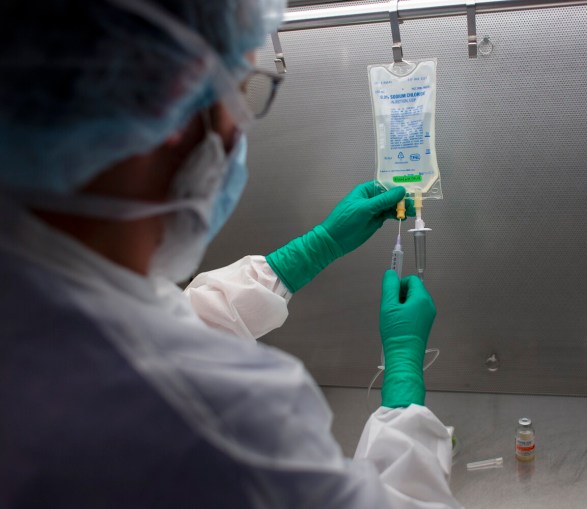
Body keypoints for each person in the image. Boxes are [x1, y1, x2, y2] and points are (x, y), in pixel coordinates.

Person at [0, 1, 461, 508]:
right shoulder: (221, 418)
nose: (239, 128)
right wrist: (402, 385)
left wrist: (310, 251)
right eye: (243, 92)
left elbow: (160, 324)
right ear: (174, 106)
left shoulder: (34, 284)